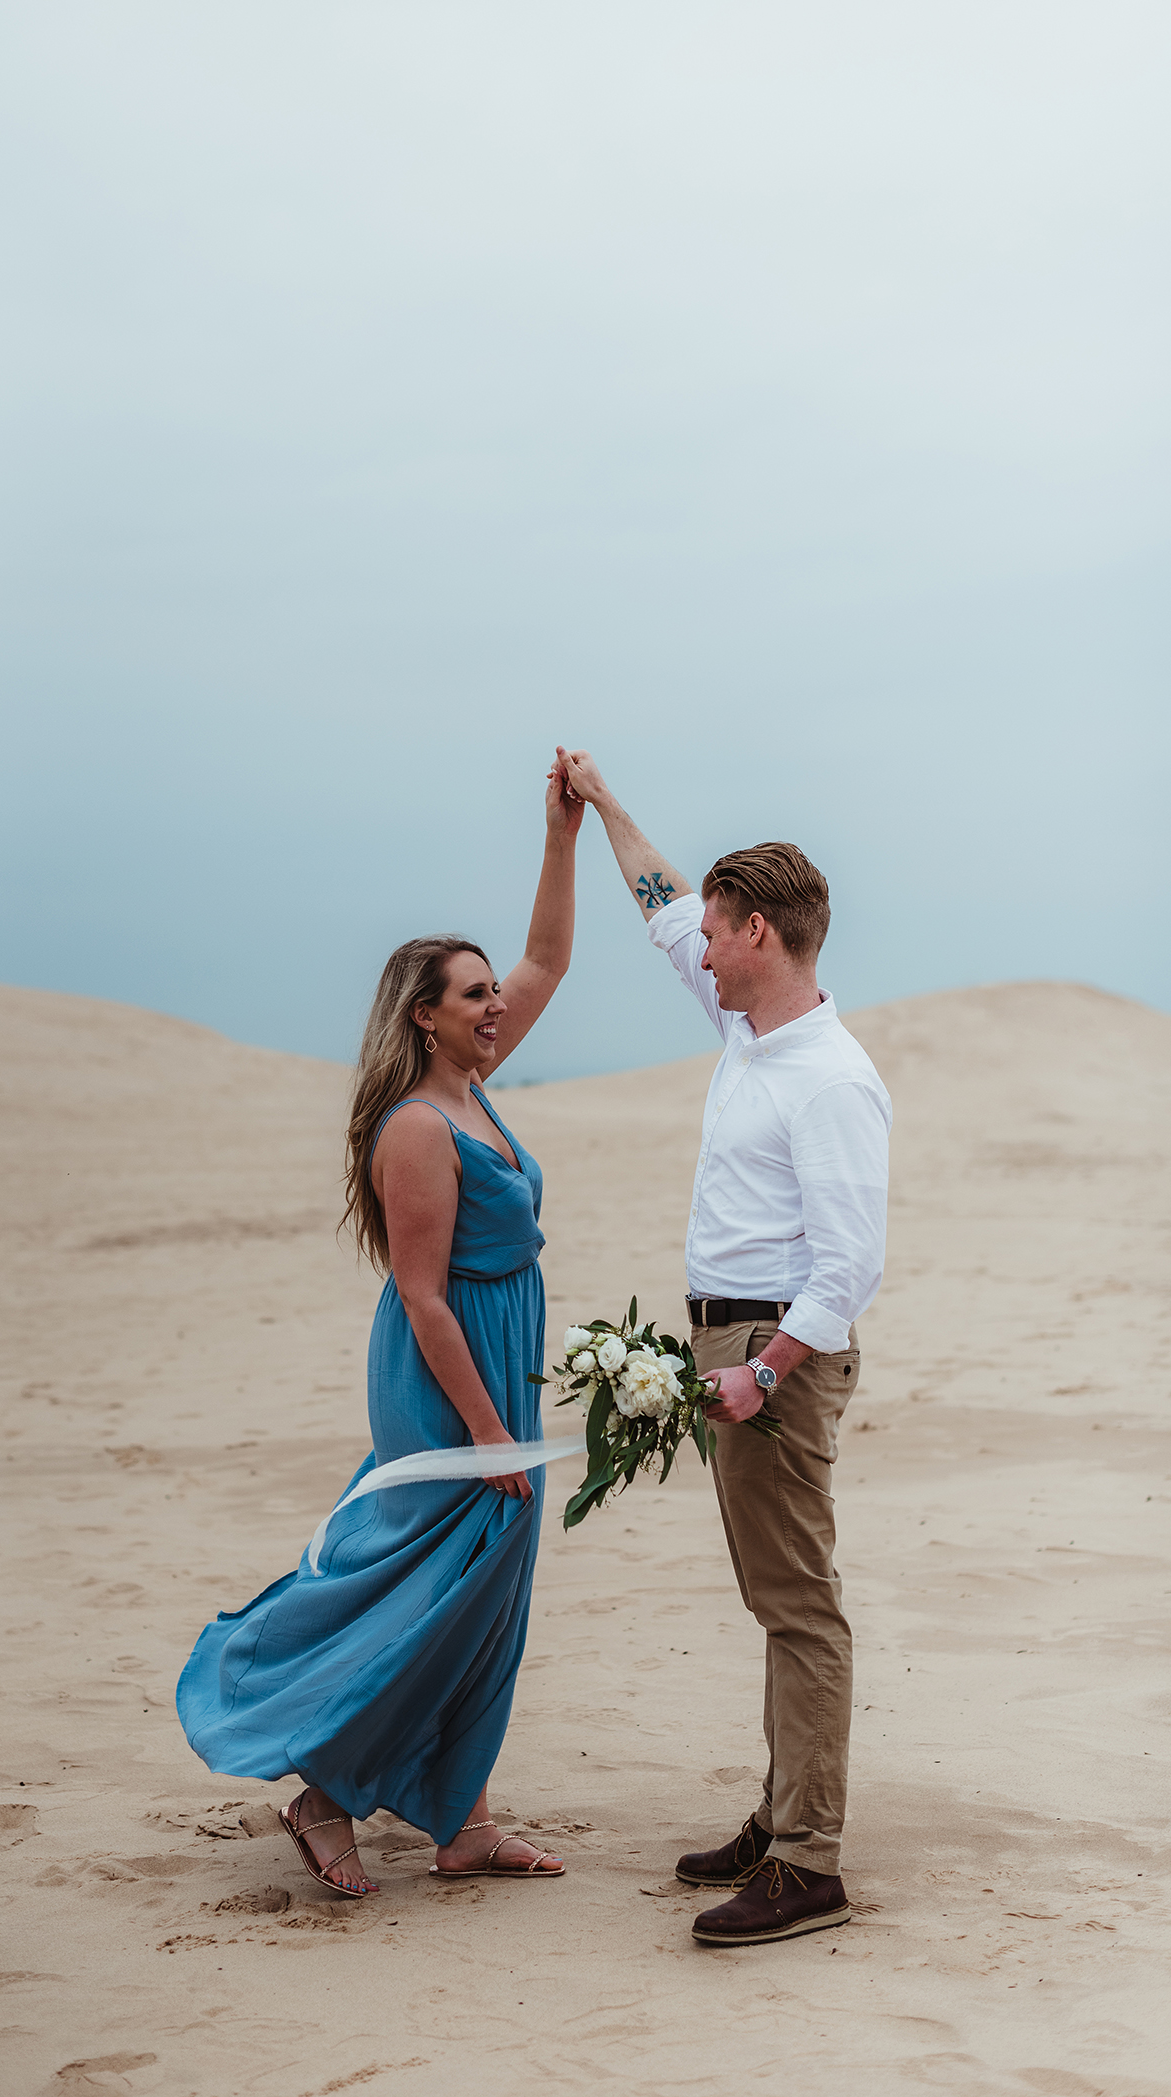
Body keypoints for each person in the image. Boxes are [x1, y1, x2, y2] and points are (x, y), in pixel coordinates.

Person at [176, 763, 583, 1896]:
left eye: (491, 994)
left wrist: (559, 836)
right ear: (424, 1015)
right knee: (424, 1581)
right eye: (471, 996)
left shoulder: (476, 1085)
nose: (495, 1004)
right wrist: (489, 1427)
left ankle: (460, 1823)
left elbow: (547, 959)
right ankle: (320, 1792)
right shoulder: (416, 1123)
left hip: (502, 1352)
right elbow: (421, 1294)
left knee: (489, 1587)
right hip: (447, 1369)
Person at [556, 746, 891, 1947]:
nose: (692, 944)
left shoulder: (829, 1079)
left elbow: (847, 1265)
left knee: (798, 1603)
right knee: (772, 1594)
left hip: (772, 1357)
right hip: (726, 1344)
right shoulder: (744, 1020)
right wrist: (603, 809)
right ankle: (779, 1812)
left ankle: (807, 1862)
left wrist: (759, 1371)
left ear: (755, 930)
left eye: (712, 928)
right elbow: (654, 905)